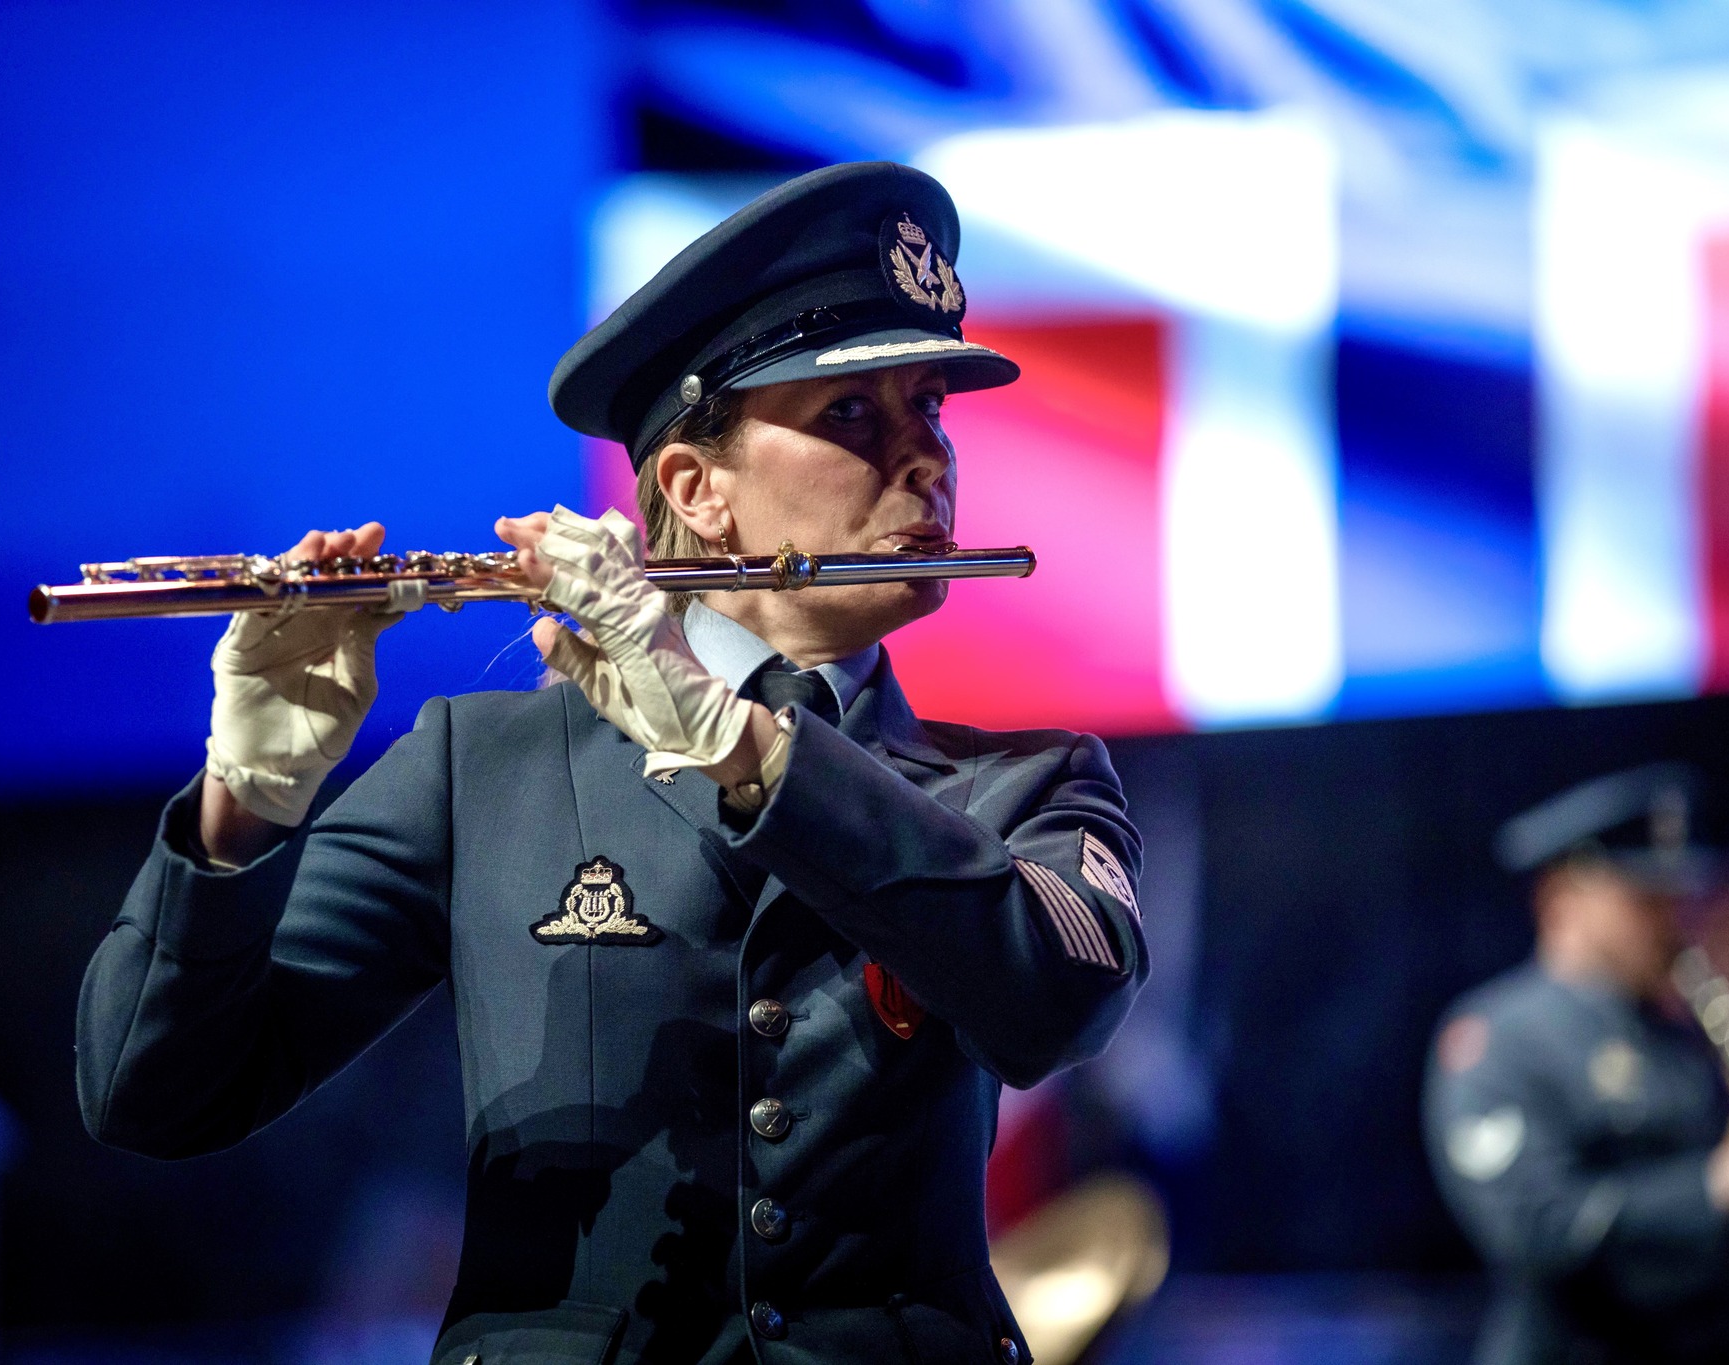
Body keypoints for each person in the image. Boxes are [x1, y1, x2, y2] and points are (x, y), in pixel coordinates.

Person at [76, 161, 1147, 1365]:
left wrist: (741, 744)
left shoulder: (1027, 783)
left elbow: (1058, 1003)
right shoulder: (482, 767)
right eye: (852, 413)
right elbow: (154, 1096)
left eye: (929, 408)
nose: (926, 459)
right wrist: (243, 807)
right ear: (696, 490)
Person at [1424, 764, 1729, 1364]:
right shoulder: (1497, 1037)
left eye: (1675, 899)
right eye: (1644, 899)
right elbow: (1535, 1228)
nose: (1671, 918)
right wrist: (1720, 1186)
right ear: (1562, 898)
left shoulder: (1686, 1029)